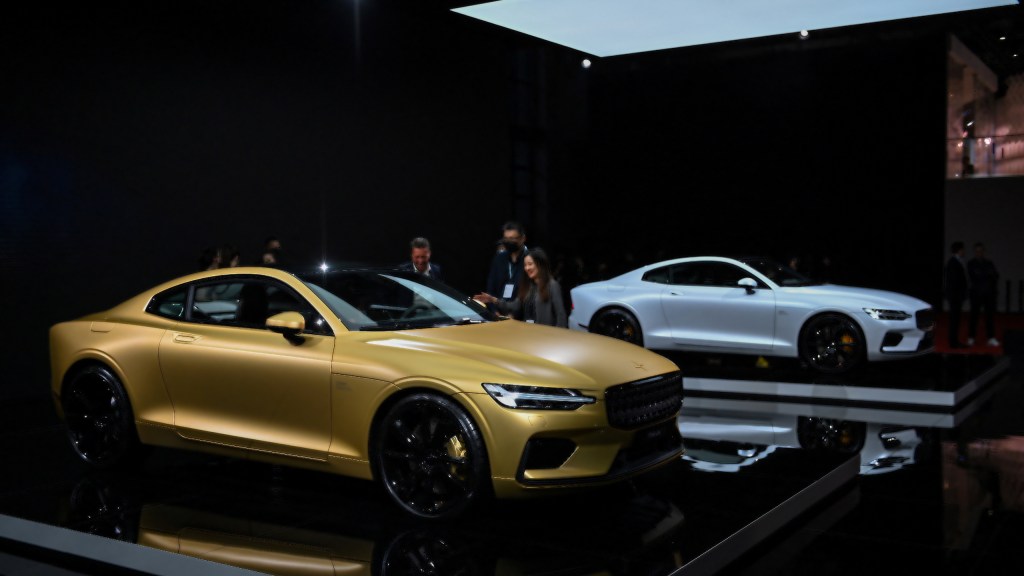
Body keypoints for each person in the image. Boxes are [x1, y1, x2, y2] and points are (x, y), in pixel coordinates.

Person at [475, 247, 567, 328]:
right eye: (525, 265)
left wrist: (557, 336)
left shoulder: (552, 285)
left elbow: (561, 315)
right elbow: (515, 306)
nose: (527, 268)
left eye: (530, 264)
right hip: (528, 333)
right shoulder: (528, 286)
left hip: (545, 336)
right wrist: (492, 299)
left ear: (540, 264)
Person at [485, 221, 529, 307]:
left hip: (522, 313)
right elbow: (491, 287)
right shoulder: (499, 258)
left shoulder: (530, 259)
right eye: (506, 239)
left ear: (522, 238)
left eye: (512, 238)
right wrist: (494, 311)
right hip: (499, 312)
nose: (508, 242)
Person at [966, 242, 1000, 347]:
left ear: (983, 252)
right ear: (975, 252)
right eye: (977, 251)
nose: (979, 253)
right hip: (976, 294)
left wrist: (984, 274)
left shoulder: (989, 263)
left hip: (988, 294)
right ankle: (971, 337)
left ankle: (991, 337)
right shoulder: (971, 263)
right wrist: (986, 274)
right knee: (974, 316)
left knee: (989, 317)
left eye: (981, 251)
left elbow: (995, 275)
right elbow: (974, 276)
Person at [944, 240, 969, 349]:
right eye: (962, 249)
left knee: (956, 319)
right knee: (955, 319)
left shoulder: (955, 262)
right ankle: (953, 342)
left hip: (955, 296)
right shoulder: (953, 262)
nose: (964, 251)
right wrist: (959, 295)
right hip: (955, 296)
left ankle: (954, 341)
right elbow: (955, 281)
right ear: (959, 250)